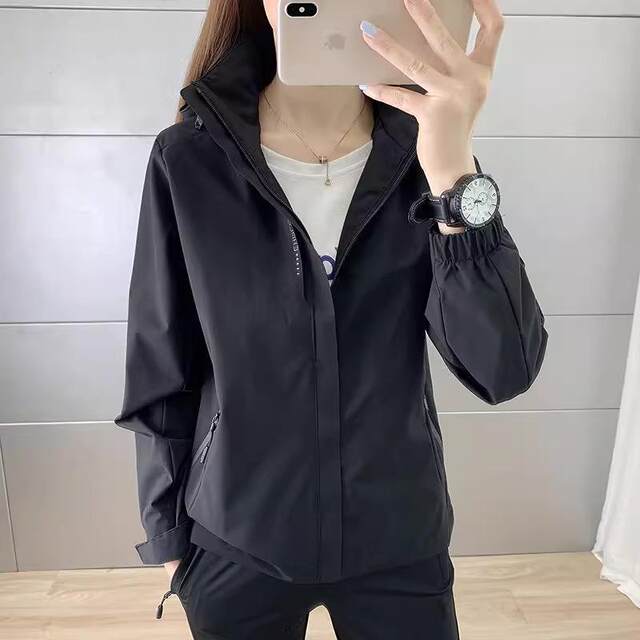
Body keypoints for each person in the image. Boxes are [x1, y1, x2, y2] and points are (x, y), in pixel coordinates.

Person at [114, 0, 548, 637]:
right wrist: (167, 534)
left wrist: (455, 171)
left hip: (398, 537)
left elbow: (502, 368)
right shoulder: (190, 159)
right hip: (238, 538)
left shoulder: (426, 159)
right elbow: (161, 354)